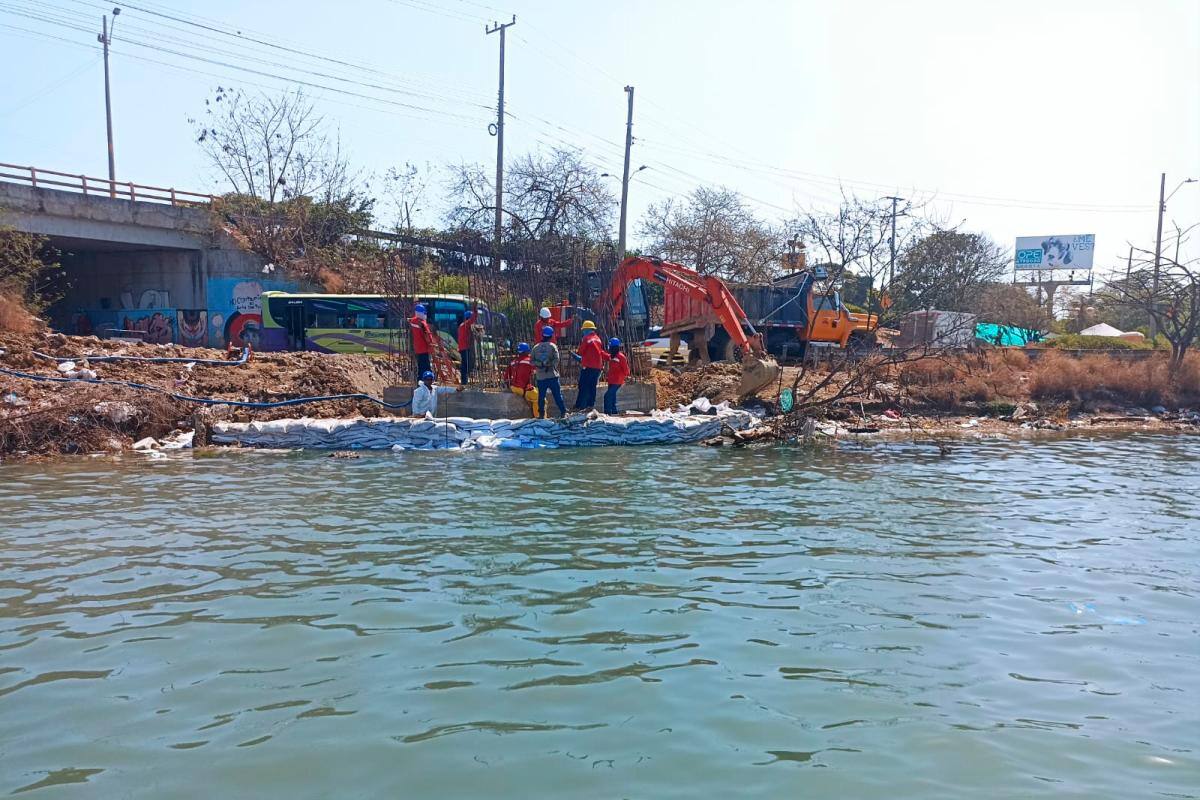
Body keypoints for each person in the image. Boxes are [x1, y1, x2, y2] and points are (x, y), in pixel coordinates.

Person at [530, 325, 567, 419]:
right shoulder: (552, 346)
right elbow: (556, 359)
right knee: (557, 395)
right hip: (552, 376)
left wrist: (540, 364)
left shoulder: (535, 348)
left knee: (541, 397)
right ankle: (563, 412)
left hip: (541, 377)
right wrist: (549, 364)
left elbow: (531, 361)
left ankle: (541, 415)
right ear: (551, 336)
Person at [573, 319, 606, 411]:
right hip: (597, 368)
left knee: (582, 386)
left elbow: (581, 351)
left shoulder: (586, 338)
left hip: (587, 367)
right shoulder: (598, 339)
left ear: (586, 330)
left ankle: (578, 406)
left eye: (583, 330)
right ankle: (590, 406)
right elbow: (599, 352)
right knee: (592, 387)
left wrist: (576, 354)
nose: (583, 332)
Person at [503, 342, 539, 417]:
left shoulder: (513, 362)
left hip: (514, 388)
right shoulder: (530, 361)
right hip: (524, 389)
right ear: (527, 351)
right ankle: (540, 419)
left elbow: (506, 378)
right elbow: (537, 372)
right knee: (540, 400)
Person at [409, 303, 437, 381]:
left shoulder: (413, 321)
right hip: (424, 348)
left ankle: (420, 381)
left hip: (418, 348)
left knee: (421, 366)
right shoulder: (422, 323)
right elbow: (427, 336)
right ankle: (426, 381)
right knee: (426, 366)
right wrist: (432, 345)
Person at [603, 337, 629, 415]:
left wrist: (626, 376)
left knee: (607, 396)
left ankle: (607, 413)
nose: (609, 349)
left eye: (610, 347)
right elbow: (606, 356)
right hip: (611, 380)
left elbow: (626, 370)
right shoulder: (612, 356)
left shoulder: (621, 357)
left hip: (617, 381)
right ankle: (614, 412)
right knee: (612, 397)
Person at [457, 310, 481, 386]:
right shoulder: (466, 324)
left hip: (463, 348)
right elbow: (473, 318)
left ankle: (464, 381)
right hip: (466, 348)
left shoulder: (462, 325)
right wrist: (475, 310)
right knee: (467, 365)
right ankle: (464, 382)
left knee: (465, 364)